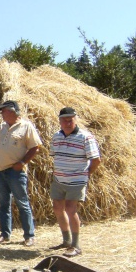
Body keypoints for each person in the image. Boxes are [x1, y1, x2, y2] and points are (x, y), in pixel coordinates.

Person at [0, 100, 41, 247]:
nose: (1, 114)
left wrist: (22, 163)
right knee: (3, 204)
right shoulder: (2, 127)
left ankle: (29, 236)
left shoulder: (26, 127)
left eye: (3, 111)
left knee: (22, 203)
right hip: (0, 170)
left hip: (15, 172)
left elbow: (35, 147)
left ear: (12, 111)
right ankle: (5, 234)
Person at [49, 107, 101, 257]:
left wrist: (86, 174)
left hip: (77, 180)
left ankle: (76, 245)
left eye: (70, 119)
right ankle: (66, 240)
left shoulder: (86, 137)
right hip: (59, 179)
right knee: (58, 208)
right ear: (59, 121)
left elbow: (96, 160)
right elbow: (54, 155)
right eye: (64, 120)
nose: (67, 122)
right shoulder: (56, 136)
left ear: (75, 119)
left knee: (71, 210)